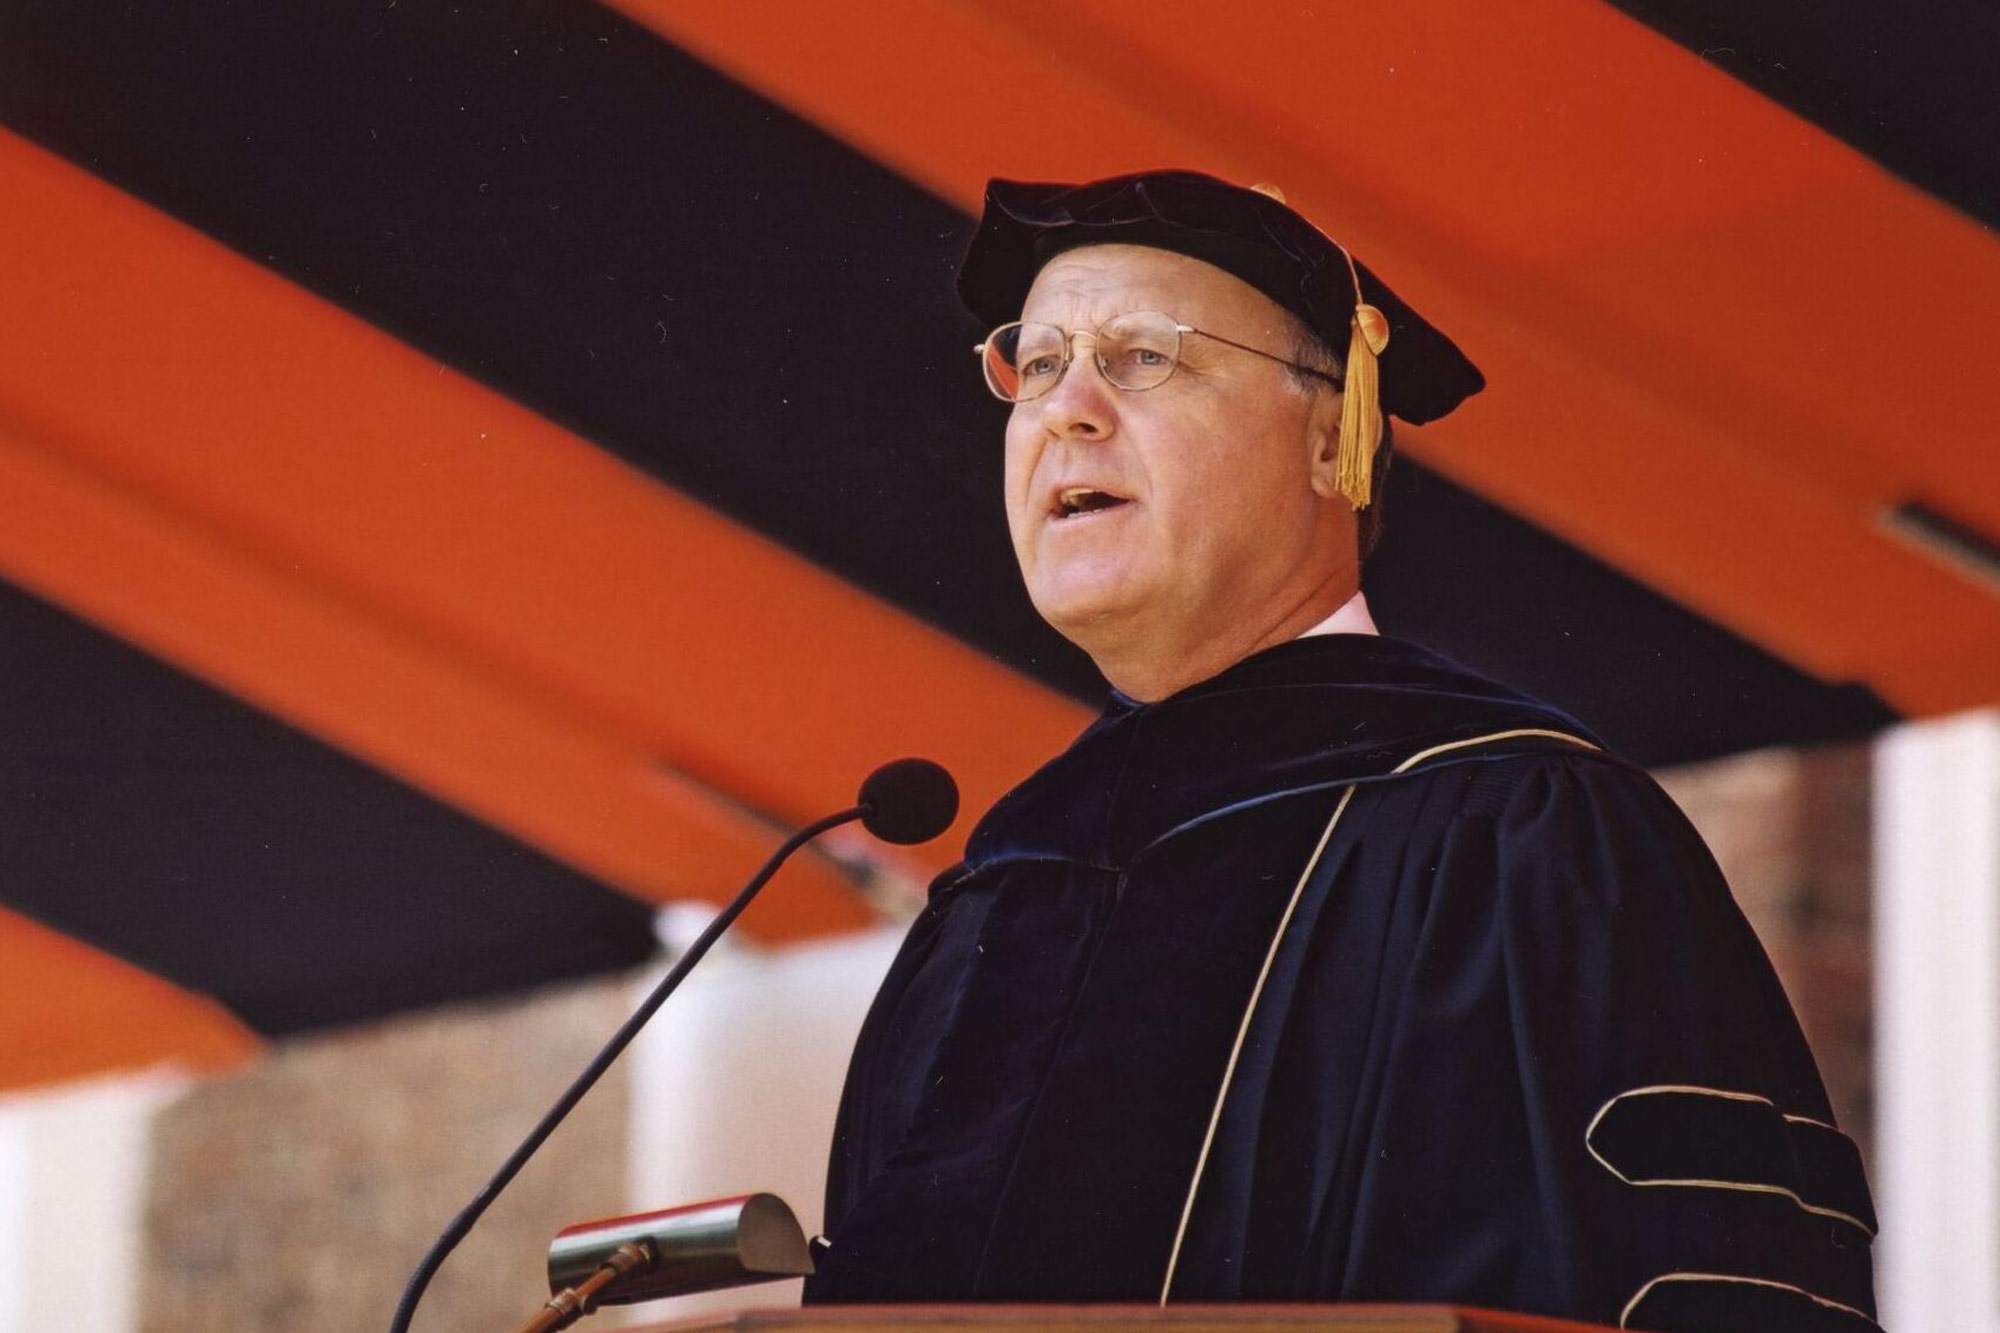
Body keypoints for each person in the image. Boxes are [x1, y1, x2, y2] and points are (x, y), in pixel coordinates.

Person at [801, 170, 1878, 1330]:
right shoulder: (999, 888)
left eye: (1143, 356)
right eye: (1039, 361)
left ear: (1329, 441)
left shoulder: (1519, 826)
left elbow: (1720, 1282)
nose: (1067, 409)